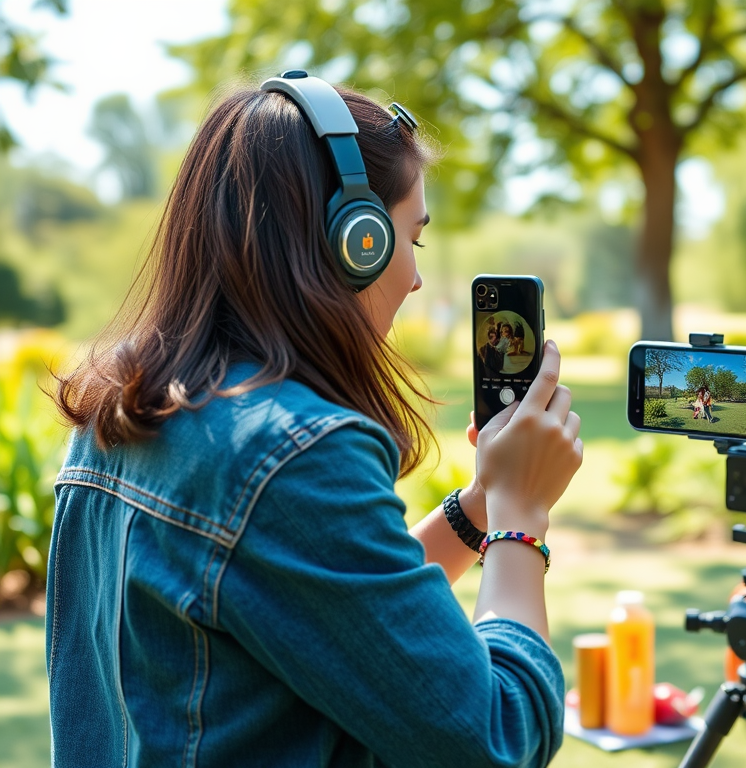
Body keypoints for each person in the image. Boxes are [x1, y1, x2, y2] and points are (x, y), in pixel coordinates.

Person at [46, 71, 583, 768]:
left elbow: (316, 608)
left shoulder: (123, 401)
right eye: (410, 241)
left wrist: (477, 510)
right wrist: (521, 517)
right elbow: (494, 738)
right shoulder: (292, 454)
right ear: (353, 242)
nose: (415, 279)